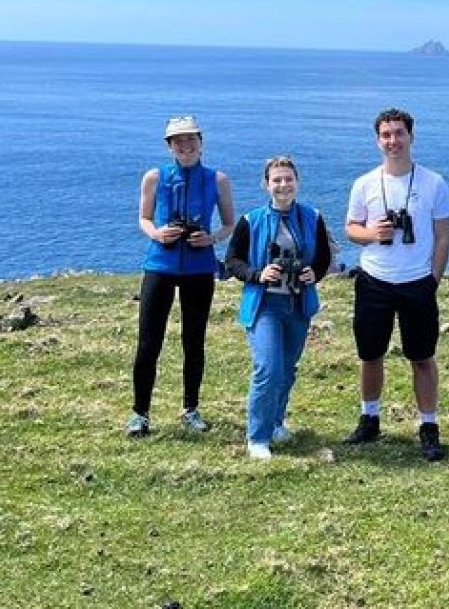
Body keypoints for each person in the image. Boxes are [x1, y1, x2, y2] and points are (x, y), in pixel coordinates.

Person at [343, 108, 449, 460]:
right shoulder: (364, 183)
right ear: (378, 140)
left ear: (411, 137)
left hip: (417, 283)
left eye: (399, 133)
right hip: (374, 280)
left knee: (422, 356)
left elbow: (442, 237)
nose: (393, 141)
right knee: (370, 354)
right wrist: (372, 233)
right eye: (386, 135)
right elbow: (351, 228)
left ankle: (428, 425)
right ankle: (370, 418)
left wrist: (432, 280)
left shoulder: (433, 183)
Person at [128, 115, 236, 437]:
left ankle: (190, 409)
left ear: (201, 142)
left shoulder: (217, 180)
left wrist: (211, 239)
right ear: (169, 146)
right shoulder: (154, 177)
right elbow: (144, 219)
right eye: (178, 141)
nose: (185, 145)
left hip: (200, 268)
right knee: (149, 342)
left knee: (194, 341)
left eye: (190, 139)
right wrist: (158, 234)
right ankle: (140, 413)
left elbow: (230, 223)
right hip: (160, 265)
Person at [225, 156, 332, 460]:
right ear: (266, 185)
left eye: (288, 179)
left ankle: (275, 422)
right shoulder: (251, 220)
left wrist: (315, 273)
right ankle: (257, 437)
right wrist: (258, 274)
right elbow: (232, 261)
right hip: (265, 305)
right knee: (267, 368)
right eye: (277, 180)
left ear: (297, 182)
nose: (283, 185)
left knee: (286, 369)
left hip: (298, 302)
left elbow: (323, 257)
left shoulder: (313, 217)